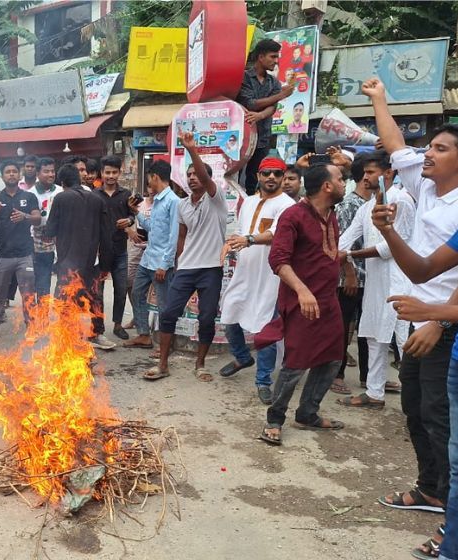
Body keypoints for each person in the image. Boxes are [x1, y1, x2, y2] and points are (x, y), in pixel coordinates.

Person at [364, 78, 458, 545]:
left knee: (446, 423)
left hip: (451, 327)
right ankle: (432, 489)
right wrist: (379, 98)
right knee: (417, 410)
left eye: (438, 148)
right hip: (415, 316)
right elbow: (396, 143)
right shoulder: (427, 185)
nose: (426, 154)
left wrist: (439, 321)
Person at [257, 164, 348, 445]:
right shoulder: (293, 215)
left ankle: (308, 412)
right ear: (327, 186)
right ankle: (275, 418)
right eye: (341, 179)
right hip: (301, 303)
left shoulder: (330, 215)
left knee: (332, 358)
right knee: (295, 363)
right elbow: (278, 260)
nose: (346, 183)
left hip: (328, 301)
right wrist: (302, 291)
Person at [336, 151, 415, 410]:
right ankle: (374, 394)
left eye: (371, 172)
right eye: (364, 173)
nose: (365, 177)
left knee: (404, 339)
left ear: (389, 173)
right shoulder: (367, 207)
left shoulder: (401, 200)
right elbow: (345, 240)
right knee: (373, 337)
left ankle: (418, 402)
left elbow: (390, 248)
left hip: (399, 280)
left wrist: (349, 255)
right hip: (375, 281)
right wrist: (337, 254)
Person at [148, 132, 228, 381]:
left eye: (198, 174)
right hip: (186, 268)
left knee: (206, 318)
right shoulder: (182, 205)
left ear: (207, 178)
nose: (193, 178)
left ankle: (200, 364)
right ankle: (163, 364)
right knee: (169, 313)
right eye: (189, 174)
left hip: (211, 268)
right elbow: (181, 237)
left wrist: (192, 148)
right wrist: (178, 262)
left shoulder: (217, 199)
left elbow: (205, 177)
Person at [218, 157, 296, 404]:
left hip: (271, 276)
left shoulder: (288, 205)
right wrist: (233, 244)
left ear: (283, 177)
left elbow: (276, 234)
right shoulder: (249, 202)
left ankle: (263, 381)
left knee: (266, 328)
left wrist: (249, 240)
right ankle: (242, 357)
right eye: (266, 173)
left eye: (276, 173)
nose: (271, 178)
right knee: (229, 314)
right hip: (245, 271)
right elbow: (241, 232)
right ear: (259, 177)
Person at [45, 163, 114, 350]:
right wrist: (106, 266)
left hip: (68, 262)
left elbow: (50, 230)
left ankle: (68, 337)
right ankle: (96, 334)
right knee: (94, 299)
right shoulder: (97, 199)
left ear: (62, 182)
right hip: (93, 261)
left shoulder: (60, 198)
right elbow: (107, 235)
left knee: (65, 301)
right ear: (79, 178)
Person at [0, 161, 41, 343]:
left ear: (19, 174)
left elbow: (38, 219)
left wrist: (25, 216)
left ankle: (31, 328)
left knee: (28, 294)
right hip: (3, 255)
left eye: (14, 172)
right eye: (7, 172)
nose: (11, 174)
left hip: (25, 254)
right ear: (2, 175)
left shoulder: (29, 196)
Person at [125, 160, 179, 350]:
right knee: (137, 293)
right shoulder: (157, 200)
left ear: (155, 177)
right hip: (147, 260)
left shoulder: (173, 202)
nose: (149, 183)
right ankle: (143, 334)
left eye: (149, 179)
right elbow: (152, 229)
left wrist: (165, 265)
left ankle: (165, 346)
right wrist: (136, 213)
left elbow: (174, 237)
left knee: (164, 305)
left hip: (160, 264)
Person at [330, 155, 372, 395]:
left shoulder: (376, 203)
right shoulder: (349, 205)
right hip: (349, 278)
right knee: (343, 328)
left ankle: (368, 377)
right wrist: (350, 274)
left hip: (371, 278)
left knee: (367, 328)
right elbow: (341, 245)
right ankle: (337, 374)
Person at [236, 38, 293, 195]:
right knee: (236, 174)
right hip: (241, 137)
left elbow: (272, 107)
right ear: (261, 57)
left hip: (263, 137)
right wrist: (281, 95)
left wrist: (260, 115)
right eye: (273, 57)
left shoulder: (274, 82)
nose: (276, 61)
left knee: (255, 177)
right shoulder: (244, 77)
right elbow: (251, 103)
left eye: (277, 57)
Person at [92, 155, 137, 342]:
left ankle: (118, 325)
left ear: (119, 173)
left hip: (120, 250)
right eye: (107, 172)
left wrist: (129, 220)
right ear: (101, 173)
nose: (110, 175)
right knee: (98, 293)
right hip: (100, 252)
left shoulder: (126, 195)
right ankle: (98, 328)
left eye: (114, 172)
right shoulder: (94, 195)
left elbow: (134, 216)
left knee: (120, 289)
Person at [31, 157, 60, 299]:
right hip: (40, 241)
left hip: (60, 241)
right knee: (43, 279)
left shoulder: (61, 191)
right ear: (37, 173)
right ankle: (42, 315)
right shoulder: (31, 194)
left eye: (52, 171)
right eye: (46, 171)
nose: (50, 174)